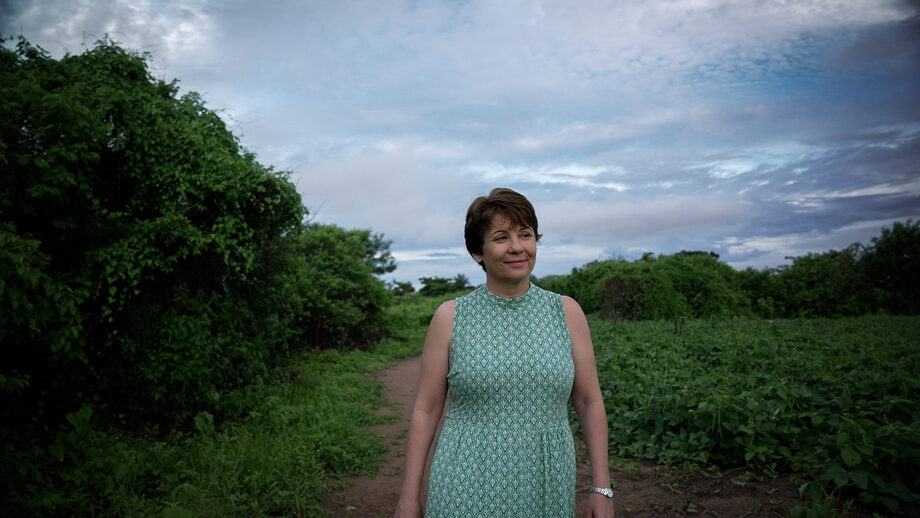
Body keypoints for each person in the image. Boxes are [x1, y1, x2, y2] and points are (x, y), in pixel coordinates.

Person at [394, 188, 615, 518]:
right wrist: (408, 499)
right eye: (501, 237)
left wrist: (602, 488)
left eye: (525, 234)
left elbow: (589, 401)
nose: (517, 247)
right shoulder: (450, 317)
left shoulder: (566, 312)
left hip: (547, 483)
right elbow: (426, 411)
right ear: (477, 252)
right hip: (465, 485)